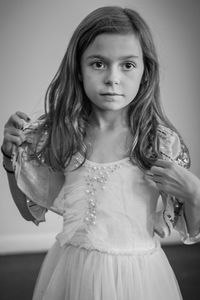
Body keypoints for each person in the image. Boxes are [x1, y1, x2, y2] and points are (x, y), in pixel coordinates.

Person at [2, 6, 200, 300]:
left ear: (145, 72)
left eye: (127, 65)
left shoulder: (159, 143)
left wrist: (194, 193)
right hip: (73, 272)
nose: (112, 78)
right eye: (98, 64)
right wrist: (9, 160)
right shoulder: (61, 133)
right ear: (78, 70)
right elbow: (28, 210)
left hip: (140, 280)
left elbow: (192, 230)